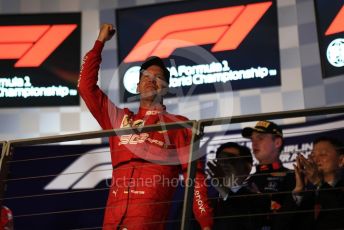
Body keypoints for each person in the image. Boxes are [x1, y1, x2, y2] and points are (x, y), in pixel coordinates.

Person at [78, 23, 213, 230]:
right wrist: (99, 42)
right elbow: (85, 88)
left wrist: (206, 224)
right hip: (111, 223)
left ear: (166, 87)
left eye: (158, 77)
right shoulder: (118, 118)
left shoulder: (180, 126)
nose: (152, 81)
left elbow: (195, 181)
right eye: (146, 77)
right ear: (137, 86)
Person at [241, 120, 295, 229]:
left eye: (260, 138)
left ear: (277, 143)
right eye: (252, 139)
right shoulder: (247, 181)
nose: (254, 143)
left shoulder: (292, 177)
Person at [207, 142, 269, 230]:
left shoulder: (259, 200)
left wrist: (225, 192)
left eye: (231, 159)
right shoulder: (203, 199)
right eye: (220, 160)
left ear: (247, 168)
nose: (224, 164)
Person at [292, 136, 344, 230]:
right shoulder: (308, 195)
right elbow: (281, 225)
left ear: (340, 161)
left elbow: (339, 215)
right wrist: (298, 190)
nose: (315, 160)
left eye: (322, 154)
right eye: (312, 155)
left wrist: (318, 182)